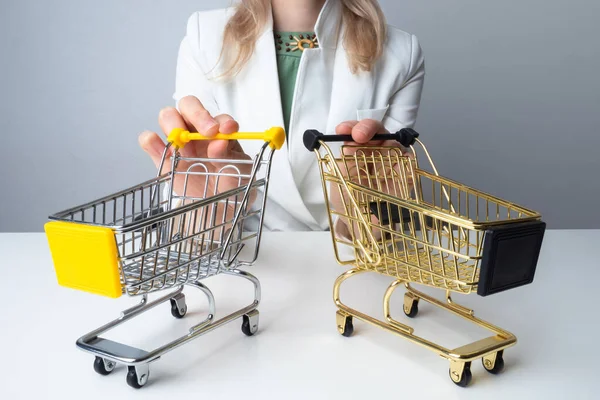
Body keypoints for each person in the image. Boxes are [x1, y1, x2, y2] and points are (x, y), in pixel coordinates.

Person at [138, 0, 425, 233]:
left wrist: (361, 215)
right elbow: (196, 227)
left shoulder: (402, 54)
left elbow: (377, 218)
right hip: (246, 256)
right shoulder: (205, 37)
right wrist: (206, 216)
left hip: (344, 260)